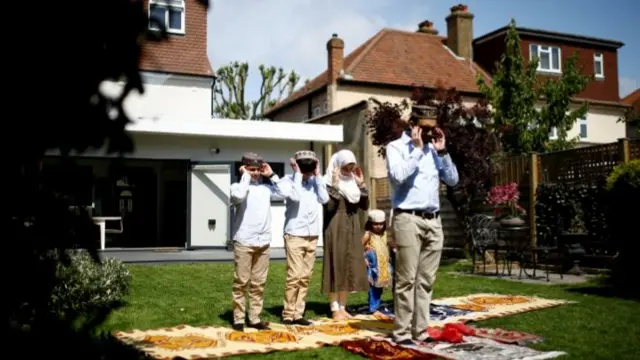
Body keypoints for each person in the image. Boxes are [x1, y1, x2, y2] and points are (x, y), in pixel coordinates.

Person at [385, 105, 459, 345]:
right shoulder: (395, 148)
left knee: (426, 280)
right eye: (425, 129)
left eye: (432, 128)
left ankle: (421, 331)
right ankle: (402, 333)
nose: (429, 134)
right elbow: (398, 176)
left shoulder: (434, 150)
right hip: (408, 219)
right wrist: (416, 151)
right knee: (406, 280)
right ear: (413, 125)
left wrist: (444, 152)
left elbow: (453, 180)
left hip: (434, 221)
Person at [229, 152, 284, 332]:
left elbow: (285, 193)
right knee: (241, 282)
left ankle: (254, 318)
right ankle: (238, 318)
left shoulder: (266, 188)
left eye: (257, 170)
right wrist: (245, 175)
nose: (255, 173)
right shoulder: (237, 186)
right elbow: (238, 197)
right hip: (244, 240)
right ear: (244, 168)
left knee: (259, 283)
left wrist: (271, 174)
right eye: (251, 169)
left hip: (263, 241)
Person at [277, 150, 330, 326]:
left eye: (310, 164)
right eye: (304, 164)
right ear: (297, 165)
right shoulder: (287, 181)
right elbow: (295, 197)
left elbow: (324, 199)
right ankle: (288, 313)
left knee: (305, 276)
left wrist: (318, 175)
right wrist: (298, 175)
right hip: (294, 234)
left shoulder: (316, 183)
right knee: (294, 276)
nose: (308, 168)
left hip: (312, 235)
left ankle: (298, 313)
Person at [321, 149, 370, 321]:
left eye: (351, 167)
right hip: (335, 225)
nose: (348, 171)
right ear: (337, 165)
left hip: (352, 225)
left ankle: (343, 307)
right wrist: (334, 186)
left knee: (349, 265)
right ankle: (334, 308)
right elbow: (329, 208)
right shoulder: (327, 182)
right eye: (345, 167)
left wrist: (361, 185)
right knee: (336, 265)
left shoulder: (352, 184)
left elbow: (364, 205)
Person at [362, 209, 392, 316]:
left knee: (379, 288)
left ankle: (376, 306)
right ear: (370, 224)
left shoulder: (384, 234)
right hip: (373, 266)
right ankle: (373, 308)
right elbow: (359, 247)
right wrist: (363, 258)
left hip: (382, 266)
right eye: (375, 224)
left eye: (380, 224)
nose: (378, 226)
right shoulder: (368, 235)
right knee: (373, 288)